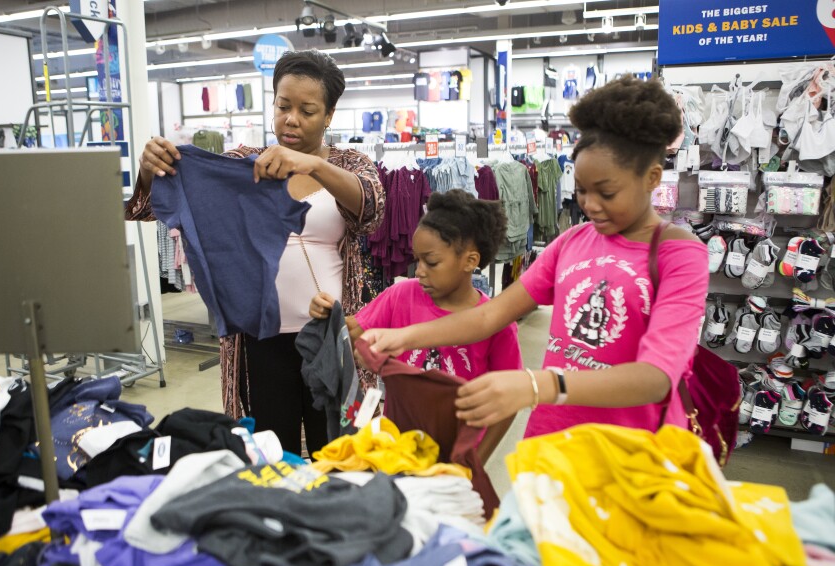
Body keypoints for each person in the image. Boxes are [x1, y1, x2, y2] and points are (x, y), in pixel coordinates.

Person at [362, 76, 709, 438]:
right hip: (553, 439)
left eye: (606, 192)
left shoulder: (679, 255)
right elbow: (490, 315)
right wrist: (404, 338)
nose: (589, 205)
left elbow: (655, 379)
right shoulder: (573, 241)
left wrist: (535, 385)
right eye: (582, 191)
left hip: (632, 452)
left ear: (653, 178)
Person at [125, 50, 385, 455]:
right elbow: (145, 208)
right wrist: (149, 168)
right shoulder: (242, 166)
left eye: (307, 110)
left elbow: (371, 208)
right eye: (283, 106)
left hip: (334, 333)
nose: (291, 119)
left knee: (337, 448)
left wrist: (310, 165)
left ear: (329, 115)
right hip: (259, 338)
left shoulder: (349, 164)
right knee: (270, 451)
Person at [310, 189, 522, 453]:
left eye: (431, 262)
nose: (419, 271)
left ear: (470, 261)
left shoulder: (497, 324)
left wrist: (476, 459)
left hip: (456, 451)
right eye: (417, 260)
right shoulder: (401, 295)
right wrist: (328, 313)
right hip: (398, 448)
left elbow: (509, 401)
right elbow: (349, 331)